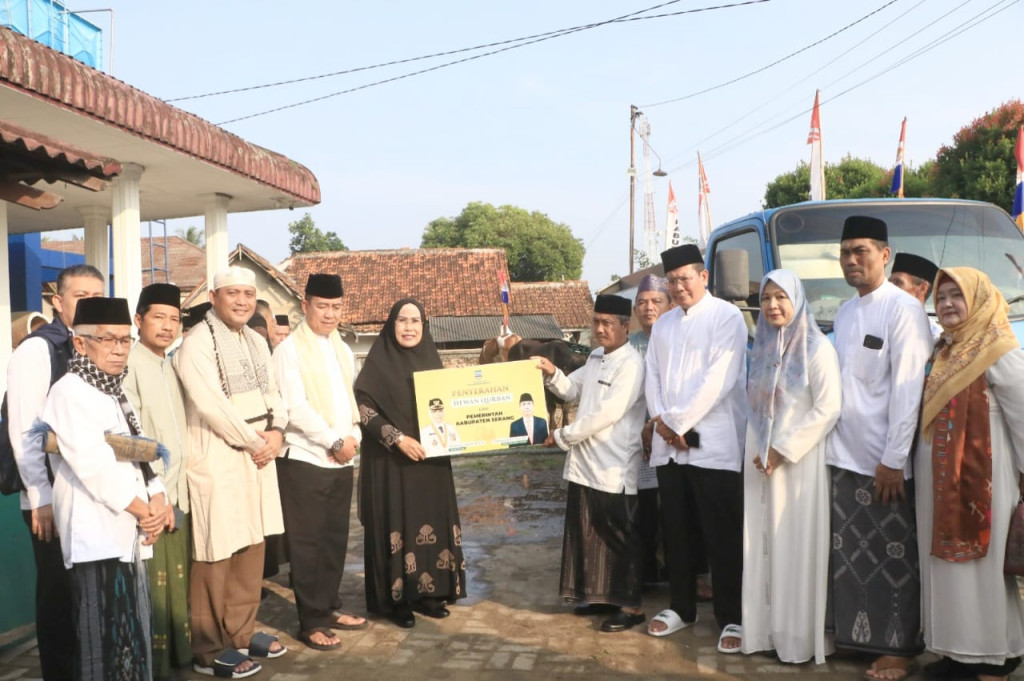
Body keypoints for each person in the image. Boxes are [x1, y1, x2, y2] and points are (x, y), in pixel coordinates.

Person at [37, 296, 169, 681]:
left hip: (129, 529)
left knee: (133, 635)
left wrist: (159, 494)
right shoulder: (69, 391)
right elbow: (93, 465)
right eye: (108, 339)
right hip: (94, 534)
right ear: (80, 343)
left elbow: (139, 449)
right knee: (99, 641)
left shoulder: (114, 389)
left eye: (125, 340)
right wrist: (145, 511)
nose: (119, 349)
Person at [827, 216, 932, 681]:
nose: (851, 260)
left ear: (884, 255)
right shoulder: (846, 311)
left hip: (883, 464)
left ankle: (899, 649)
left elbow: (908, 390)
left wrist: (893, 459)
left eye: (861, 251)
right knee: (850, 556)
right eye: (845, 251)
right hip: (842, 456)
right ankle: (857, 639)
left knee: (893, 558)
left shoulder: (903, 310)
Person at [175, 266, 288, 678]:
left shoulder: (257, 341)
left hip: (260, 453)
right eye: (232, 293)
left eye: (248, 294)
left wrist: (277, 431)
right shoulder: (197, 343)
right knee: (217, 549)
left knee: (251, 545)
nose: (242, 301)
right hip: (218, 454)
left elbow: (275, 393)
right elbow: (212, 406)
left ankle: (240, 634)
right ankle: (207, 648)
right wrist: (259, 443)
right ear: (214, 298)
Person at [914, 268, 1024, 681]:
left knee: (981, 571)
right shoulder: (944, 350)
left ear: (979, 300)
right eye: (941, 297)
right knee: (945, 568)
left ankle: (993, 656)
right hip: (939, 482)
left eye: (956, 296)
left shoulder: (999, 350)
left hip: (984, 483)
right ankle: (956, 652)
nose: (946, 305)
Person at [644, 244, 747, 654]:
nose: (678, 286)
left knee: (721, 534)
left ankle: (732, 616)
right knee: (677, 532)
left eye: (685, 278)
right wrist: (664, 422)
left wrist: (677, 422)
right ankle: (681, 608)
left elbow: (719, 379)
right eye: (671, 280)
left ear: (704, 277)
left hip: (714, 444)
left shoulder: (727, 316)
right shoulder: (664, 325)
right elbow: (653, 376)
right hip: (670, 446)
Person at [8, 263, 104, 681]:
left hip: (88, 491)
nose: (90, 304)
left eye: (97, 296)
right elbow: (25, 430)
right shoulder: (38, 349)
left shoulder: (94, 345)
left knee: (86, 596)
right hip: (50, 496)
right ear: (57, 302)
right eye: (81, 296)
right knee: (59, 598)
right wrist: (40, 497)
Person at [741, 270, 841, 664]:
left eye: (781, 297)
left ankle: (796, 640)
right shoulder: (762, 349)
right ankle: (763, 631)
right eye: (766, 298)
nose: (772, 305)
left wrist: (781, 450)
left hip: (798, 463)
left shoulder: (817, 348)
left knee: (795, 545)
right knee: (761, 545)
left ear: (797, 300)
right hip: (759, 462)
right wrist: (759, 449)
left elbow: (828, 408)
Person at [535, 294, 647, 632]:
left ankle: (630, 607)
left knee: (617, 536)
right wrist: (552, 372)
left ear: (625, 326)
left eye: (607, 323)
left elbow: (607, 414)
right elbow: (571, 390)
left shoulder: (631, 365)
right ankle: (600, 598)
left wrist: (562, 435)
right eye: (596, 322)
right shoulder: (596, 357)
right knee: (589, 533)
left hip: (614, 464)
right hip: (586, 463)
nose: (600, 329)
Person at [355, 299, 467, 628]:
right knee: (397, 521)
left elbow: (451, 410)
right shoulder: (377, 364)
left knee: (432, 518)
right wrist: (397, 439)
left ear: (424, 326)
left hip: (431, 464)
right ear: (391, 325)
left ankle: (429, 594)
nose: (408, 327)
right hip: (392, 463)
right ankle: (397, 600)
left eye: (415, 321)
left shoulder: (432, 361)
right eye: (402, 320)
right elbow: (363, 409)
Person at [273, 273, 366, 652]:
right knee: (308, 544)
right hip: (305, 459)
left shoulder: (342, 349)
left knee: (334, 540)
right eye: (322, 306)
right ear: (305, 306)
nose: (330, 314)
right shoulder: (289, 350)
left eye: (336, 307)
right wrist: (334, 441)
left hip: (341, 460)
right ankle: (311, 621)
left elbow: (353, 401)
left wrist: (353, 438)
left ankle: (328, 607)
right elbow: (294, 408)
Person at [122, 283, 192, 680]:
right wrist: (153, 491)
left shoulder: (171, 364)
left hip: (179, 492)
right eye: (158, 317)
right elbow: (129, 440)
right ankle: (155, 667)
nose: (167, 326)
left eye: (174, 319)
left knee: (176, 583)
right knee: (154, 588)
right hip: (151, 496)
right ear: (139, 320)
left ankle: (179, 660)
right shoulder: (129, 365)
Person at [628, 274, 677, 588]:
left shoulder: (677, 341)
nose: (649, 307)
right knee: (643, 508)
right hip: (638, 441)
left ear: (670, 305)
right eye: (642, 302)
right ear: (635, 310)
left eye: (656, 301)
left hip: (672, 436)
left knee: (675, 509)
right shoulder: (627, 347)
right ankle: (645, 572)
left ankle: (679, 571)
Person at [890, 252, 942, 340]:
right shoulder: (876, 322)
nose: (890, 287)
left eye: (898, 283)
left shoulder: (934, 337)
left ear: (922, 288)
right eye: (889, 282)